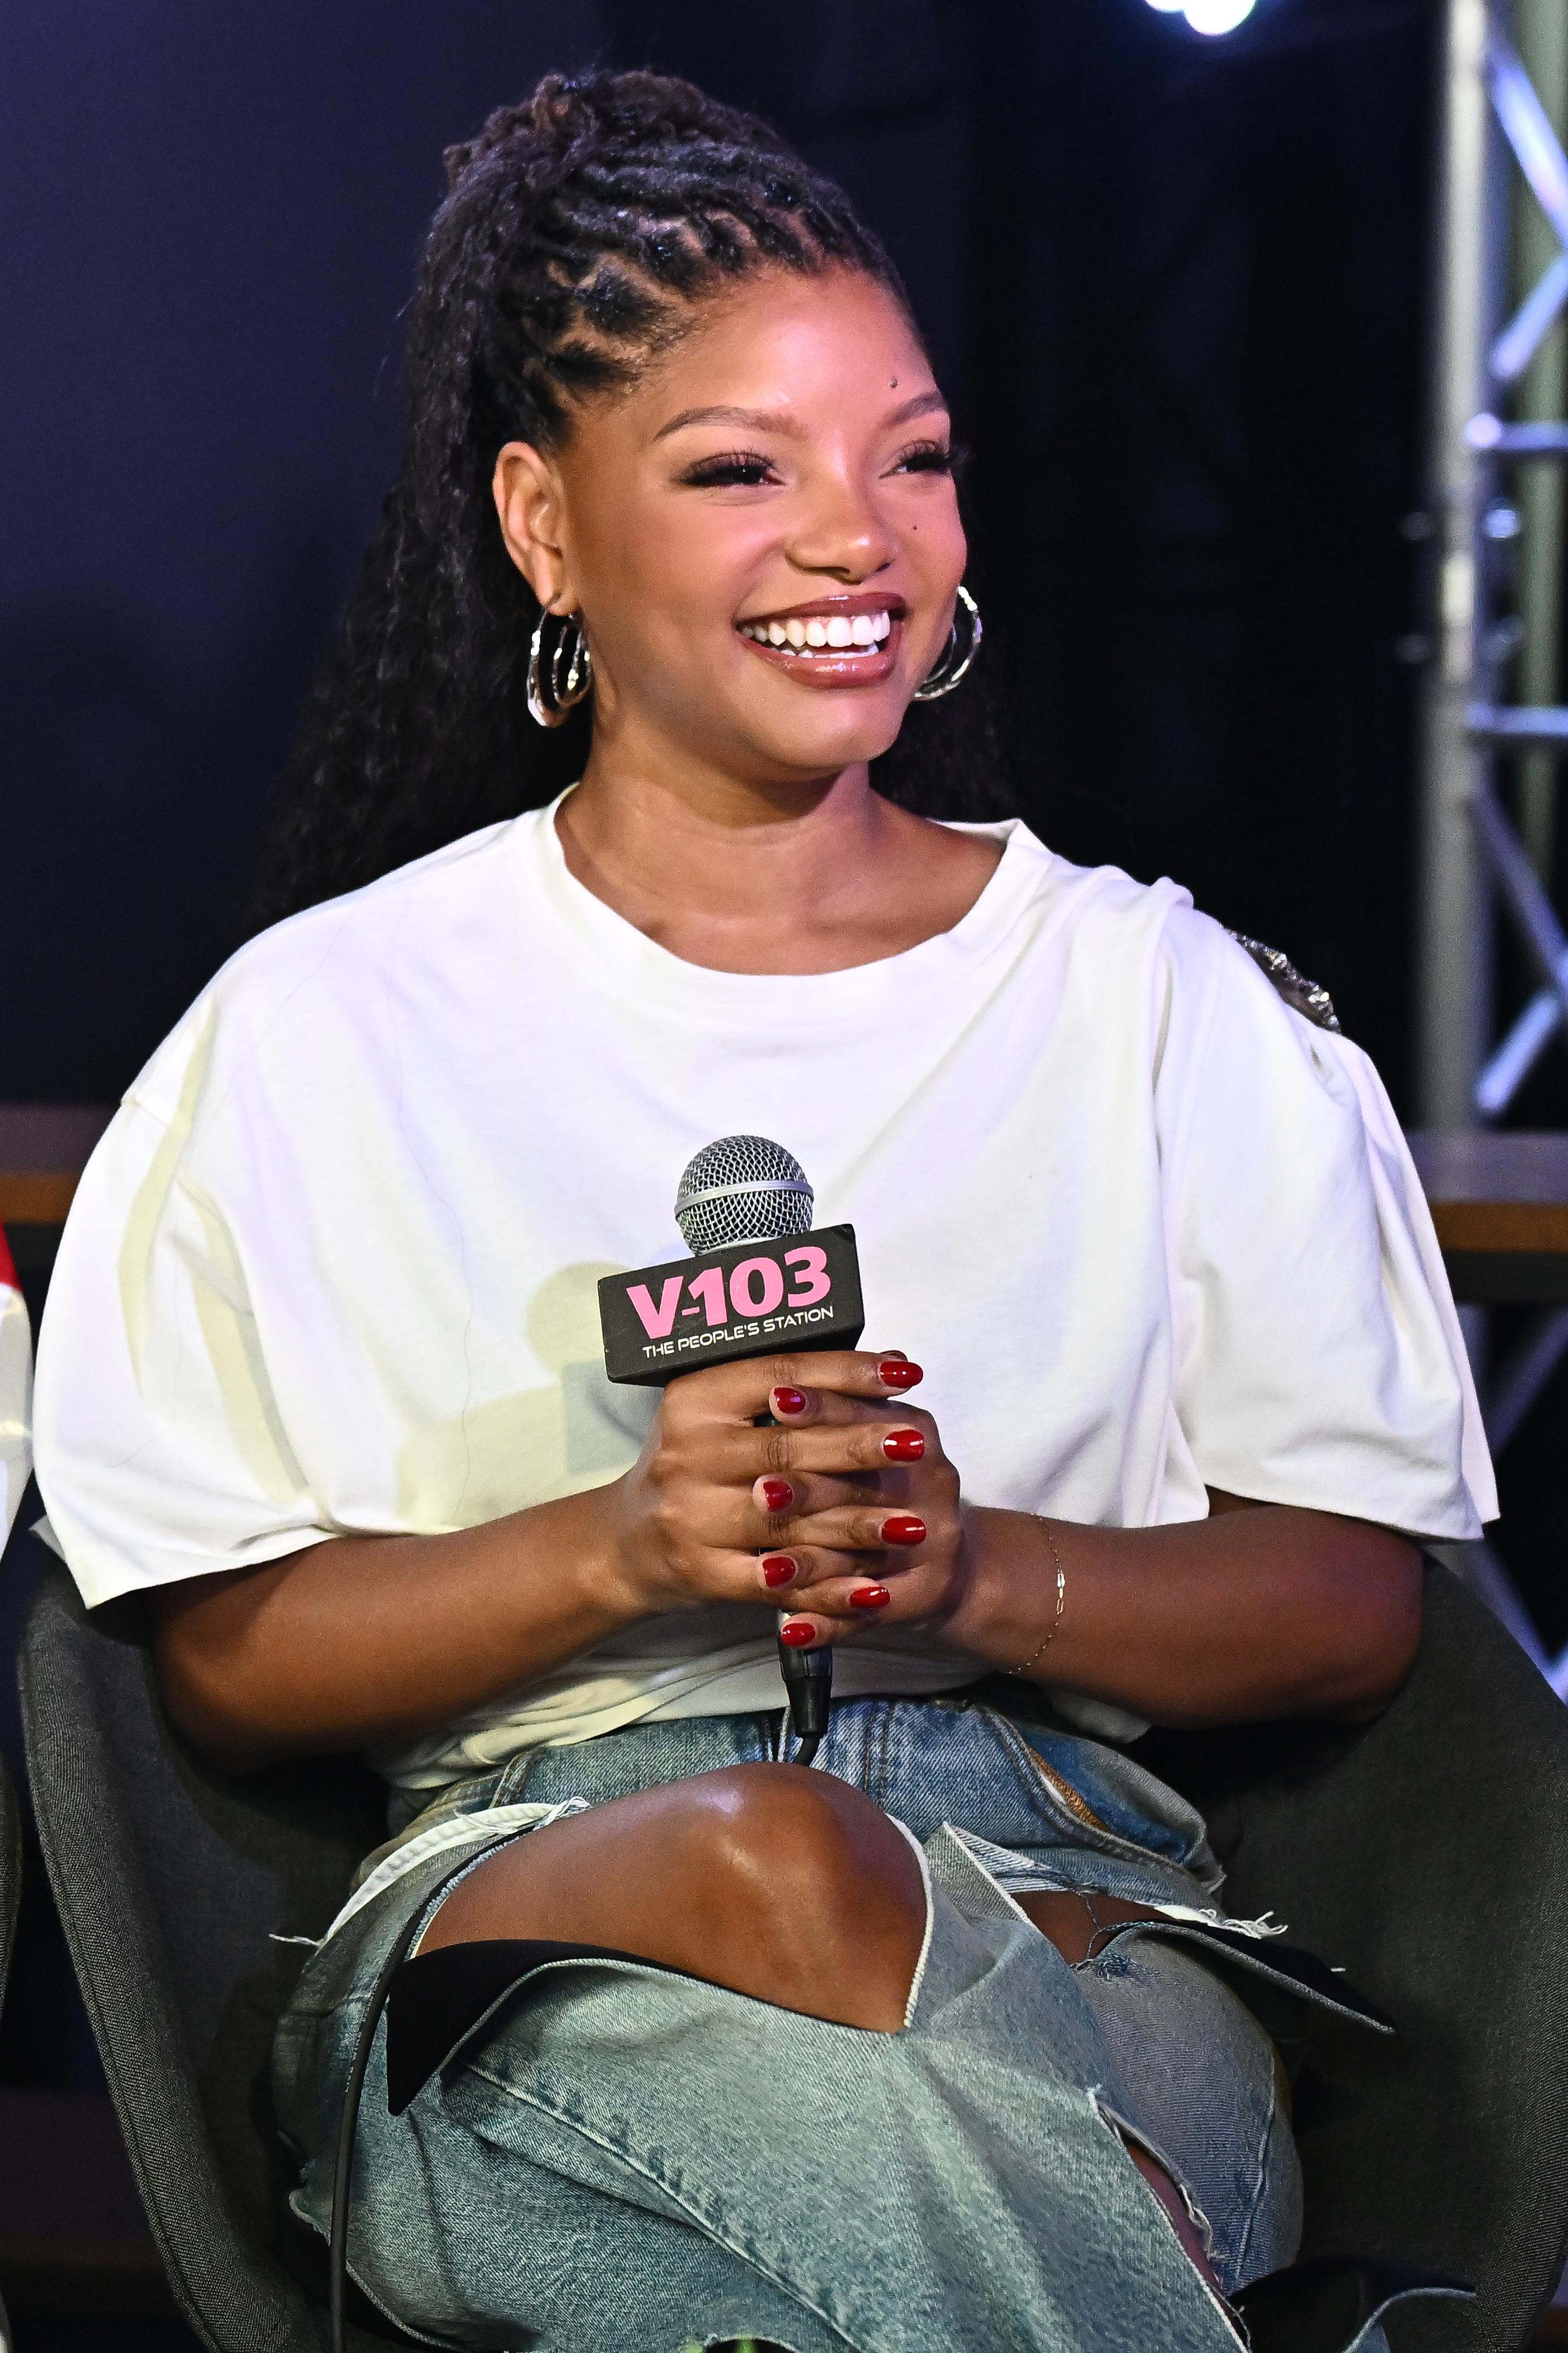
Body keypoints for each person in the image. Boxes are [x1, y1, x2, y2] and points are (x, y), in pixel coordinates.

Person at [32, 69, 1494, 2353]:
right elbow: (218, 1659)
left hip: (1074, 1902)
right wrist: (624, 1549)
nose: (860, 538)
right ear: (542, 524)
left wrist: (972, 1565)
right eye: (740, 469)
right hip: (528, 1926)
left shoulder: (1153, 1002)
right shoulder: (325, 1030)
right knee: (775, 1858)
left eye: (908, 454)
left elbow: (1348, 1596)